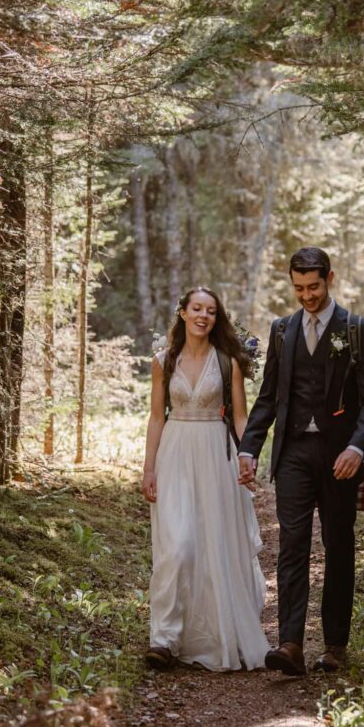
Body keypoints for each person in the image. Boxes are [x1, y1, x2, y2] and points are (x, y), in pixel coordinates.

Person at [238, 247, 364, 676]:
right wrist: (249, 448)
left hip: (341, 456)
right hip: (294, 455)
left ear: (330, 279)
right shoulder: (282, 332)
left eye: (314, 286)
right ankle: (290, 644)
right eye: (299, 287)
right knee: (293, 544)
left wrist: (357, 447)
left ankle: (335, 645)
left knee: (339, 546)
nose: (306, 295)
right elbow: (268, 398)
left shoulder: (358, 330)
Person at [141, 286, 269, 672]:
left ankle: (215, 634)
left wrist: (248, 455)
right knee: (176, 546)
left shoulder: (228, 360)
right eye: (196, 308)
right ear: (183, 313)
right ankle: (163, 638)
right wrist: (149, 468)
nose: (203, 316)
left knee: (214, 543)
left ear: (217, 318)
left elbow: (242, 416)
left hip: (217, 454)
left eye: (211, 311)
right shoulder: (163, 360)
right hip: (176, 452)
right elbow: (156, 416)